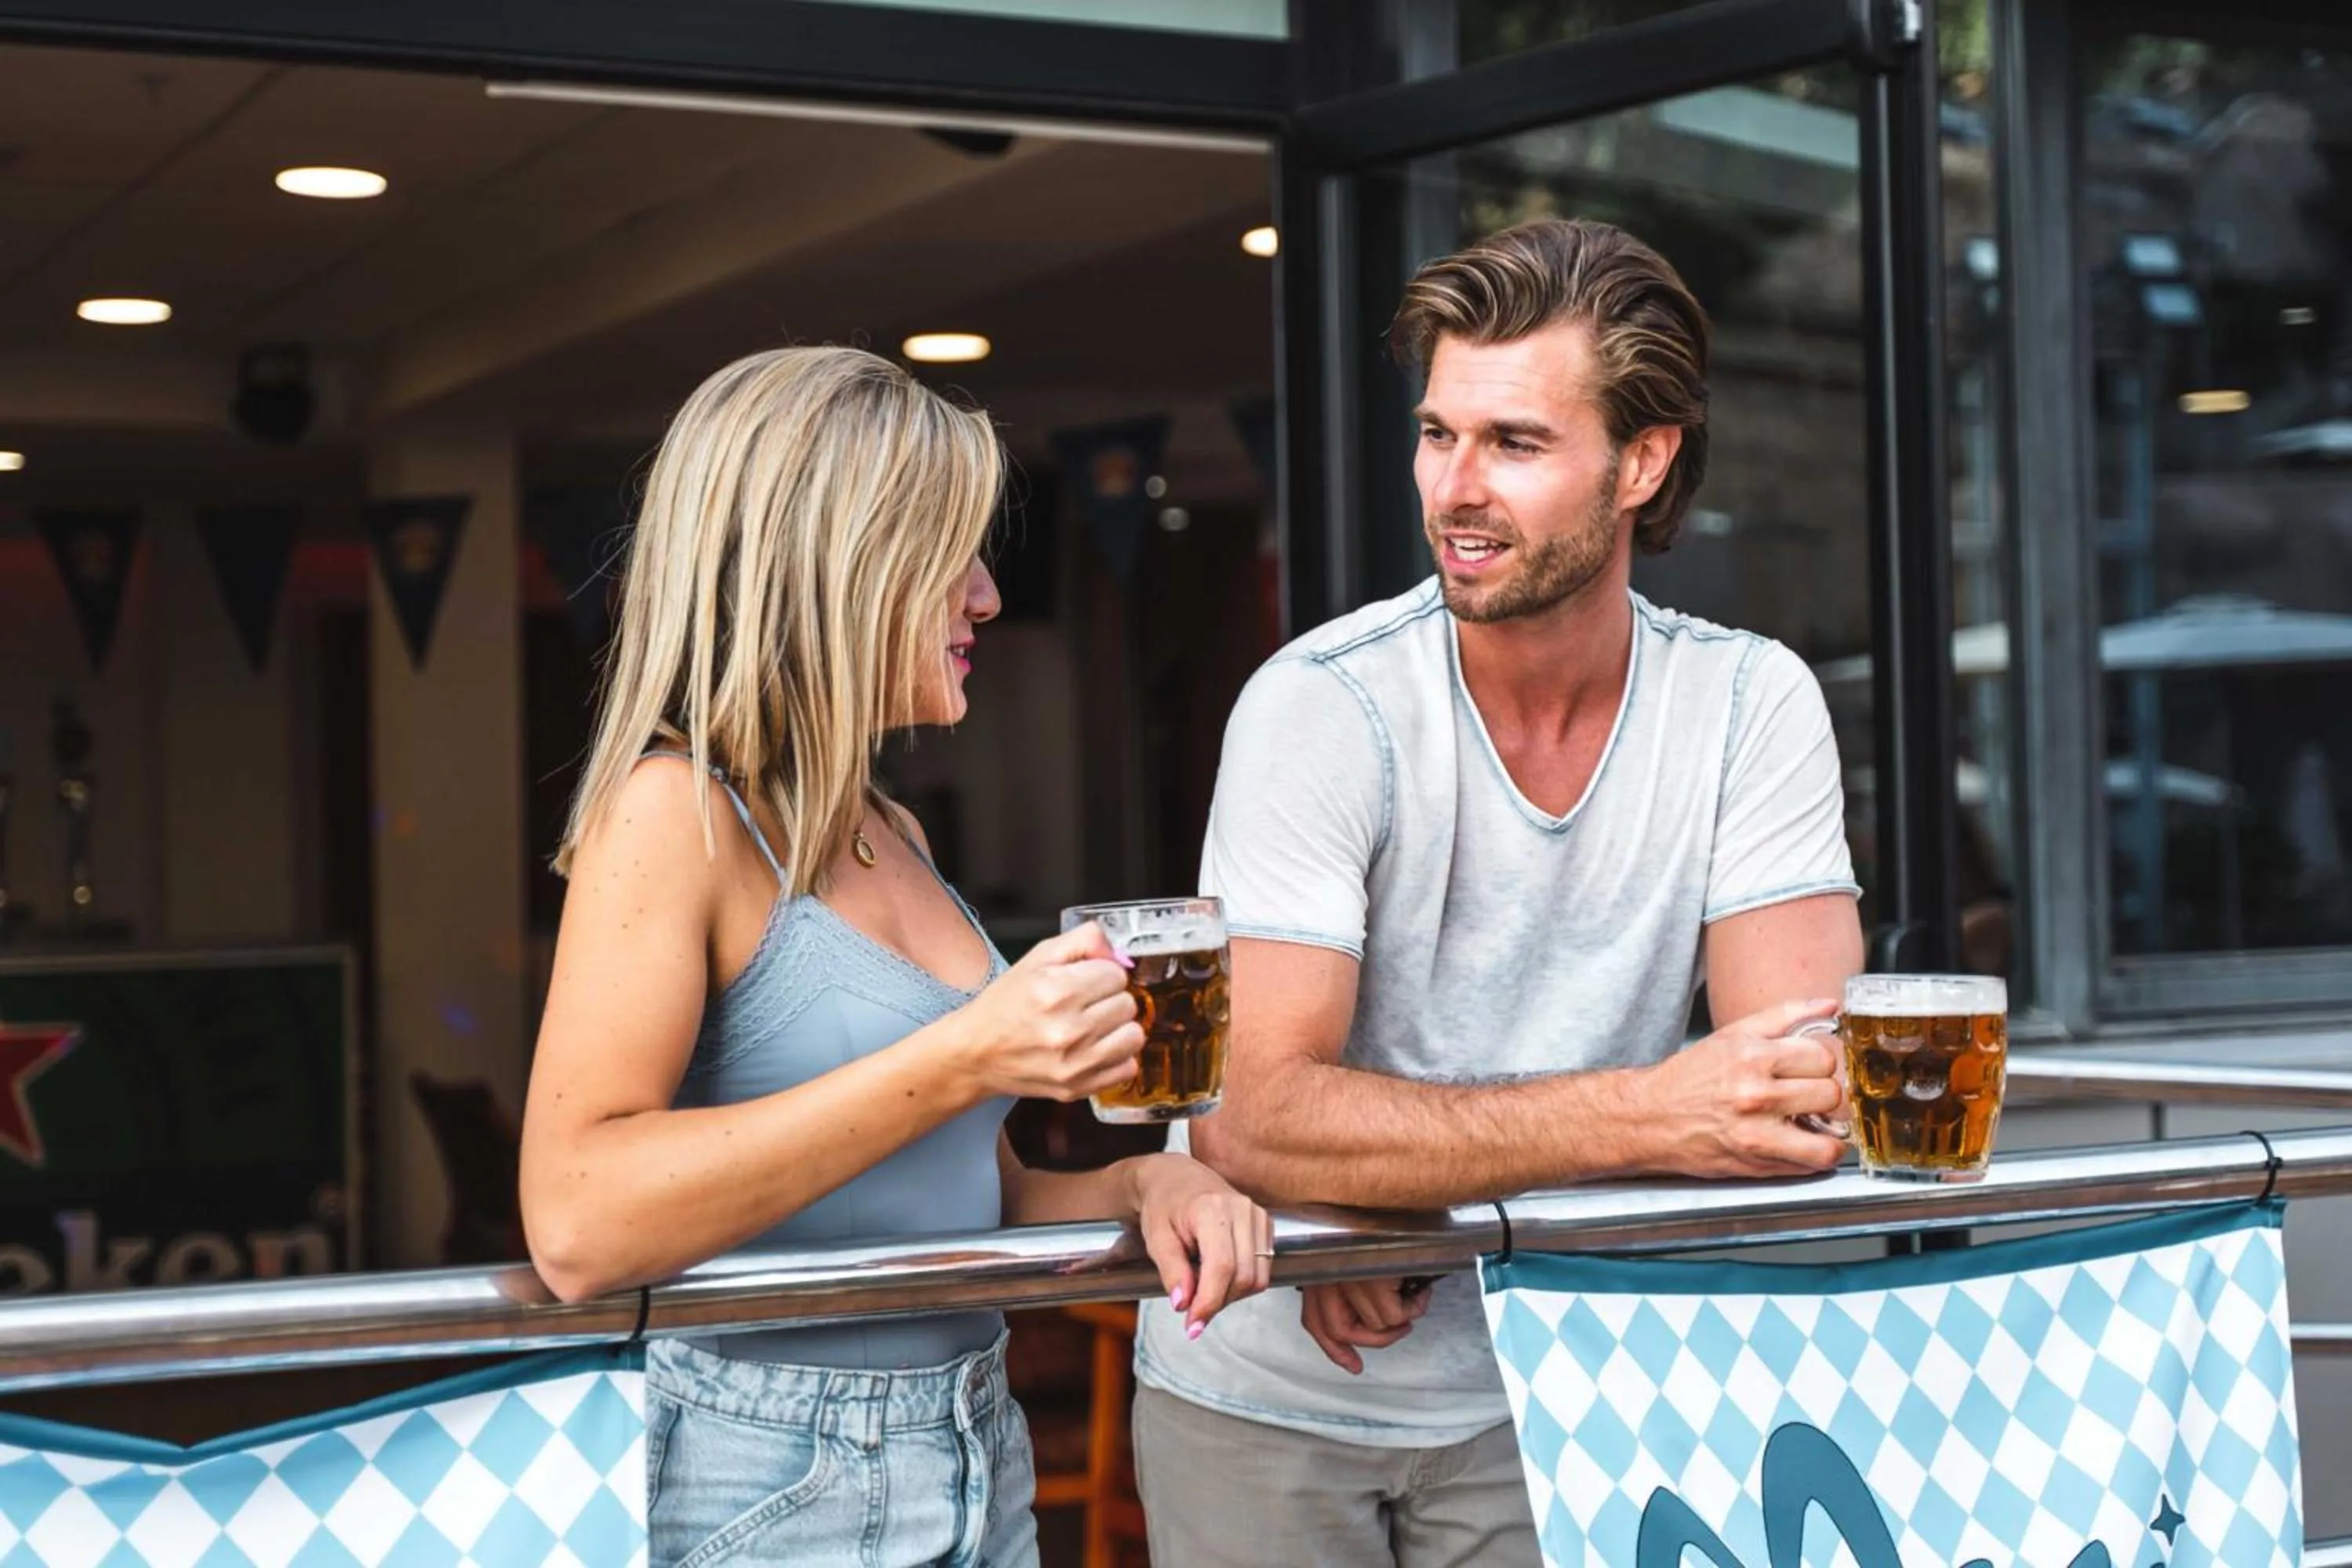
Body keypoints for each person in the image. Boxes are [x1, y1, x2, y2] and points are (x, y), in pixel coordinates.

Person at [1131, 218, 1866, 1566]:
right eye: (1437, 433)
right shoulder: (1324, 704)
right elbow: (1252, 1120)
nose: (1455, 489)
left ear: (1642, 462)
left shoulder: (1748, 700)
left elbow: (1789, 1107)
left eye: (1515, 444)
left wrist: (1406, 1191)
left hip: (1575, 1380)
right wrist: (1651, 1110)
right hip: (1271, 1389)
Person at [517, 346, 1272, 1568]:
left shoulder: (894, 830)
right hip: (768, 1478)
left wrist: (1143, 1188)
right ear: (837, 566)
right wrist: (972, 1052)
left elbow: (966, 1194)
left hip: (974, 1444)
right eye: (952, 558)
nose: (987, 598)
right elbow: (577, 1222)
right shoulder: (674, 812)